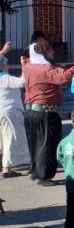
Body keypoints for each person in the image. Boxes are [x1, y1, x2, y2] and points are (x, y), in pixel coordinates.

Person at [20, 40, 74, 184]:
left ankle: (35, 172)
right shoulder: (46, 69)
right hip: (45, 112)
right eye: (50, 50)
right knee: (48, 145)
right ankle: (44, 176)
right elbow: (63, 76)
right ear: (44, 53)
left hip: (30, 111)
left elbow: (58, 69)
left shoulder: (28, 66)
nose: (53, 52)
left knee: (35, 144)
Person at [0, 48, 30, 177]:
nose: (8, 66)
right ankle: (7, 168)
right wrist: (24, 66)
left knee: (3, 139)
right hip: (9, 111)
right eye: (6, 64)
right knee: (9, 138)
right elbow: (22, 82)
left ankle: (4, 165)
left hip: (3, 110)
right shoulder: (5, 78)